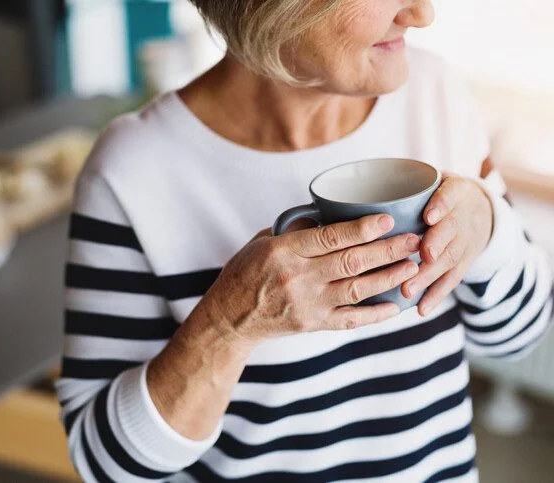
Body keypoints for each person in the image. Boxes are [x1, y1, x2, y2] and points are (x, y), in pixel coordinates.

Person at [55, 0, 553, 481]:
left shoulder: (434, 94)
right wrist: (227, 325)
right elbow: (105, 464)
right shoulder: (131, 172)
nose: (422, 14)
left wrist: (488, 228)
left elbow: (518, 335)